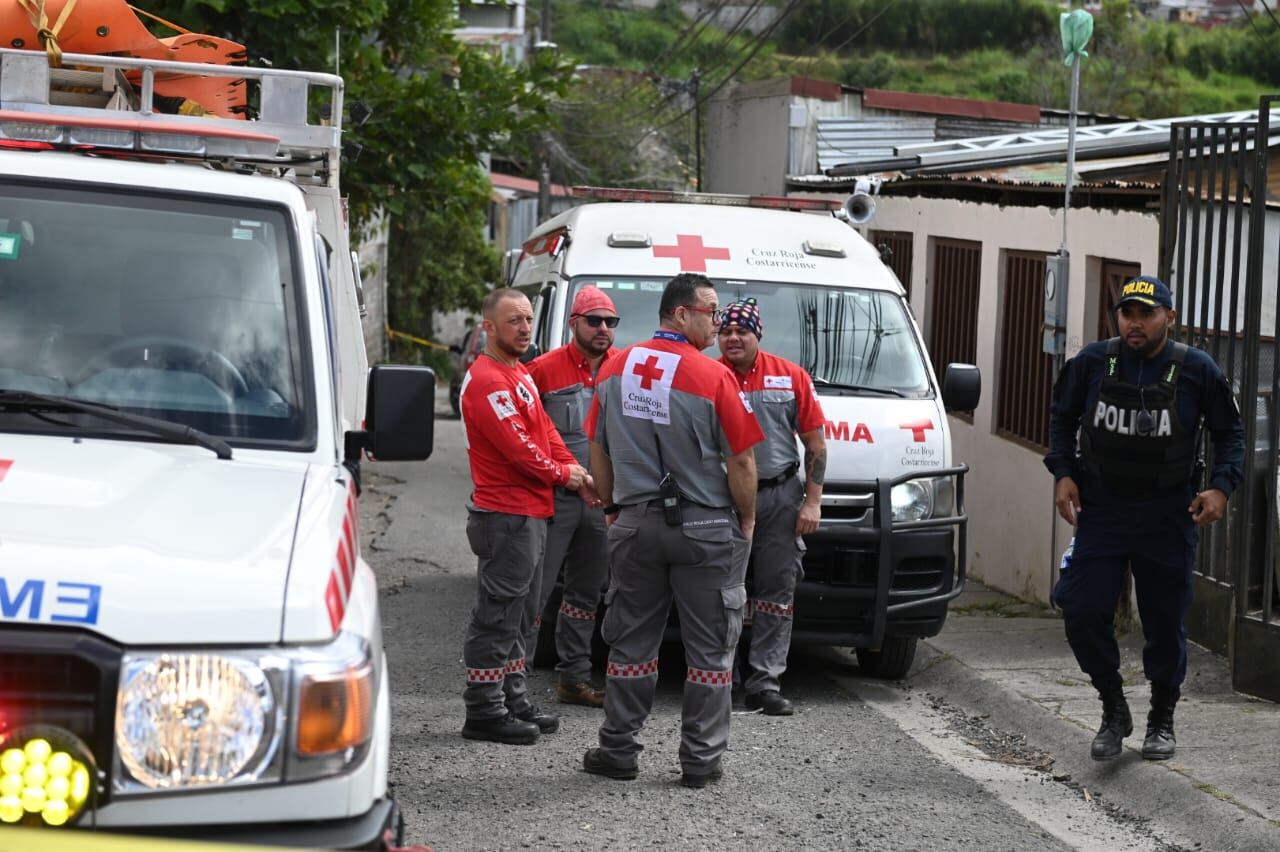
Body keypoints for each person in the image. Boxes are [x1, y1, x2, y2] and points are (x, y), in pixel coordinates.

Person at [1045, 274, 1243, 762]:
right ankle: (1114, 707)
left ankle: (1161, 716)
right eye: (1127, 313)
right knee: (1081, 608)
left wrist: (1221, 486)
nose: (1134, 323)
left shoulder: (1196, 369)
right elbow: (1062, 417)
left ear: (1169, 319)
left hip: (1167, 513)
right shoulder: (1093, 361)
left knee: (1164, 622)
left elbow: (1231, 433)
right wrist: (1063, 472)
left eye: (1146, 314)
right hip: (1103, 509)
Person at [581, 272, 764, 788]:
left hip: (636, 524)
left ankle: (618, 750)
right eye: (710, 310)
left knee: (631, 642)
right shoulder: (714, 377)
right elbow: (743, 460)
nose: (719, 321)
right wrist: (746, 516)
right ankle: (700, 762)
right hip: (706, 527)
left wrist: (614, 504)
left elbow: (597, 445)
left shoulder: (616, 367)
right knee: (711, 650)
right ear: (681, 314)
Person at [458, 287, 600, 745]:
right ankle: (484, 709)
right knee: (497, 615)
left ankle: (513, 698)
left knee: (523, 616)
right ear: (489, 327)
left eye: (527, 320)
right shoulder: (488, 381)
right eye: (513, 321)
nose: (523, 328)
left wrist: (576, 469)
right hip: (505, 515)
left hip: (531, 514)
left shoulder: (517, 373)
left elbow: (547, 433)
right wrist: (567, 475)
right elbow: (521, 451)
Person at [717, 298, 826, 717]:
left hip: (780, 497)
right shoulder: (708, 376)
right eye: (725, 331)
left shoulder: (790, 376)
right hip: (723, 498)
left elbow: (816, 444)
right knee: (721, 592)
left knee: (776, 594)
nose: (732, 338)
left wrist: (812, 502)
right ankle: (719, 676)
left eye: (741, 331)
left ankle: (765, 683)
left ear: (757, 334)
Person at [524, 286, 620, 707]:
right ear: (573, 323)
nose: (603, 329)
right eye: (594, 320)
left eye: (610, 322)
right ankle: (511, 683)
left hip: (603, 504)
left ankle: (574, 679)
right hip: (556, 499)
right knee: (535, 592)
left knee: (585, 595)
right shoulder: (542, 370)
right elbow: (523, 434)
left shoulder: (626, 369)